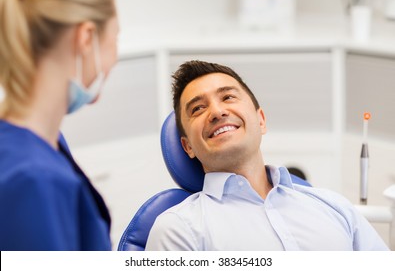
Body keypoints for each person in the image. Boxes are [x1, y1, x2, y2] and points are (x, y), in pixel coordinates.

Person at [146, 60, 389, 251]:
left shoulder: (333, 207)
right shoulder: (177, 230)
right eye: (198, 108)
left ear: (260, 120)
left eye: (228, 97)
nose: (217, 111)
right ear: (188, 146)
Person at [0, 0, 119, 250]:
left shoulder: (41, 147)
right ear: (86, 38)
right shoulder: (33, 178)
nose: (115, 57)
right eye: (115, 36)